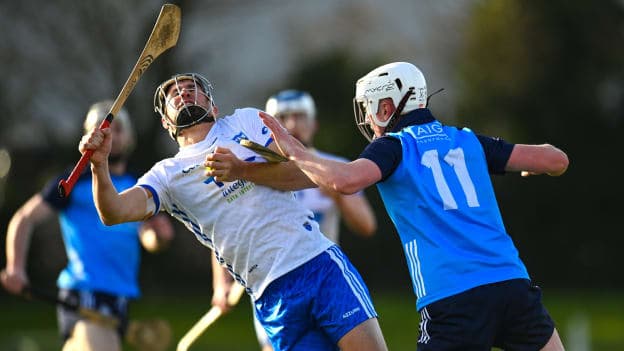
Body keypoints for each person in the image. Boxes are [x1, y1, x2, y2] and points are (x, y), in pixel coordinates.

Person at [254, 62, 569, 351]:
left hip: (452, 297)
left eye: (369, 108)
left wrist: (295, 150)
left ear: (387, 106)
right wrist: (537, 167)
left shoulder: (394, 147)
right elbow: (555, 159)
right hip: (513, 286)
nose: (366, 118)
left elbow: (345, 181)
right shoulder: (467, 140)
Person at [78, 73, 388, 351]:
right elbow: (113, 212)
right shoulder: (166, 176)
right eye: (175, 93)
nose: (184, 94)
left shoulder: (248, 122)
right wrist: (99, 165)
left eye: (192, 88)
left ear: (213, 106)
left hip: (317, 264)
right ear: (165, 122)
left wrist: (242, 170)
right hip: (270, 295)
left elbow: (306, 173)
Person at [1, 101, 174, 351]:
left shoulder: (140, 183)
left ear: (129, 137)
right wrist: (15, 268)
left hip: (121, 295)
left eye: (117, 129)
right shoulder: (72, 180)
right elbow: (24, 218)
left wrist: (158, 237)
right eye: (100, 129)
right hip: (83, 292)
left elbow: (146, 234)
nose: (109, 136)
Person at [245, 90, 377, 351]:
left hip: (325, 279)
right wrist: (222, 284)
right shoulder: (252, 171)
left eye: (300, 116)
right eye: (283, 117)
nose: (292, 125)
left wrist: (337, 194)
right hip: (275, 287)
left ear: (314, 123)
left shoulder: (333, 167)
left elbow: (366, 225)